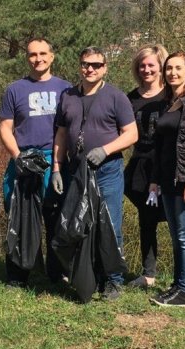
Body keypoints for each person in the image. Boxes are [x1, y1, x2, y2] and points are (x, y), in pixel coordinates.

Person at [53, 46, 138, 300]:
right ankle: (86, 276)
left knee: (110, 225)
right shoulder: (67, 96)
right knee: (79, 224)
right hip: (76, 171)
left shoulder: (116, 97)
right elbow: (60, 134)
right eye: (85, 64)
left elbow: (132, 134)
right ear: (79, 66)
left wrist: (105, 149)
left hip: (107, 170)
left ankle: (113, 280)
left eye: (96, 65)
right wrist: (57, 167)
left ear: (105, 68)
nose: (90, 69)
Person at [0, 37, 71, 287]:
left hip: (55, 161)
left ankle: (56, 273)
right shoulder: (14, 89)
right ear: (26, 58)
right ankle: (18, 276)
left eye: (43, 53)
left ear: (52, 56)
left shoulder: (66, 89)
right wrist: (18, 156)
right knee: (19, 217)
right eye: (32, 54)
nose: (38, 58)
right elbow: (5, 128)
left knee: (55, 217)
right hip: (23, 159)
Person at [149, 51, 185, 307]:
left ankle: (184, 292)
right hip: (167, 179)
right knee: (176, 235)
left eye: (178, 68)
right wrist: (154, 180)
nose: (172, 72)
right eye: (169, 68)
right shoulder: (166, 103)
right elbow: (159, 145)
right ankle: (176, 286)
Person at [124, 44, 169, 289]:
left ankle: (183, 279)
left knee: (177, 223)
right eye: (142, 65)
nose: (146, 69)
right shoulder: (130, 99)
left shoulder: (171, 97)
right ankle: (148, 274)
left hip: (167, 166)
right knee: (146, 222)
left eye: (151, 64)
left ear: (161, 67)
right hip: (140, 167)